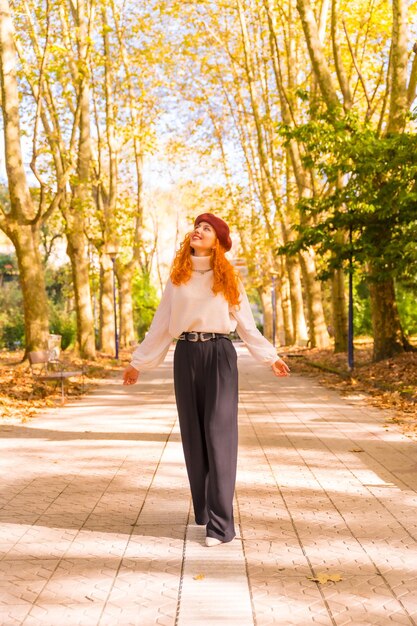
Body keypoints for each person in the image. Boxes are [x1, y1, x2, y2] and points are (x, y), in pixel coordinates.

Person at [123, 213, 290, 547]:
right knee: (194, 438)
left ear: (219, 241)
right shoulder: (178, 278)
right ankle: (205, 511)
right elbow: (160, 325)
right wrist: (138, 363)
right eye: (197, 227)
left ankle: (221, 526)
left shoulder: (227, 278)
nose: (198, 231)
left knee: (219, 435)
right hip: (186, 356)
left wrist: (270, 356)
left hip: (219, 356)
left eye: (207, 229)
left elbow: (246, 324)